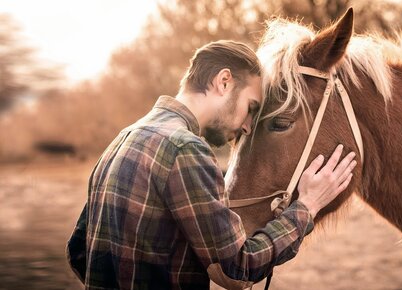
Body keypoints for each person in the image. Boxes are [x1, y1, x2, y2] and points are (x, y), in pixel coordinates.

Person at [66, 40, 357, 290]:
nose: (247, 126)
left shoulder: (123, 139)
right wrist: (306, 206)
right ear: (224, 81)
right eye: (251, 107)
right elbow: (239, 267)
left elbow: (79, 251)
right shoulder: (186, 149)